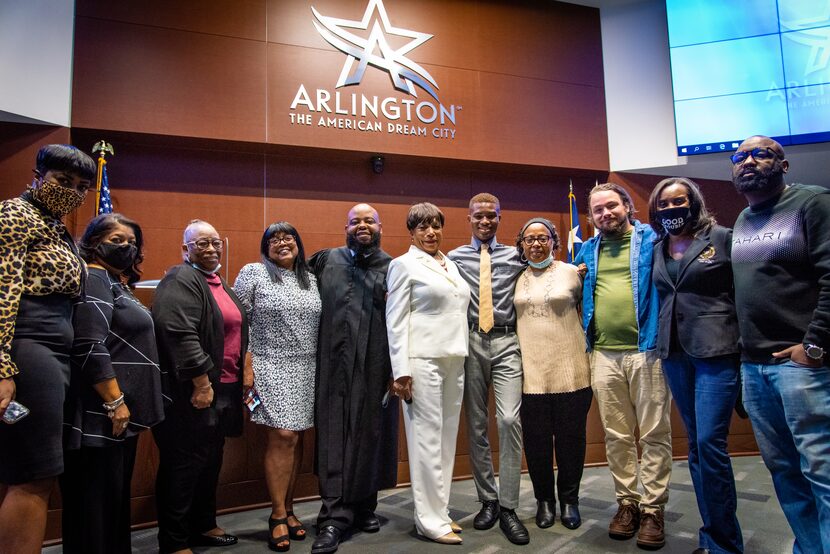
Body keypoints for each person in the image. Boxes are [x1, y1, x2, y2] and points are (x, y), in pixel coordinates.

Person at [729, 135, 830, 553]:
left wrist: (816, 346)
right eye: (739, 157)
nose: (748, 161)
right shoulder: (742, 220)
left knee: (822, 472)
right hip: (754, 368)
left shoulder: (812, 203)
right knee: (784, 471)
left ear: (784, 165)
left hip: (800, 367)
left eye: (761, 153)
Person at [0, 144, 96, 554]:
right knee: (35, 473)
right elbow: (3, 290)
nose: (71, 191)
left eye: (80, 186)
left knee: (27, 470)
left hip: (57, 348)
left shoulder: (55, 226)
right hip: (29, 343)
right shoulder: (15, 214)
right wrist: (2, 365)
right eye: (61, 181)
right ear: (38, 176)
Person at [61, 213, 167, 554]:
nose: (126, 247)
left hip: (120, 416)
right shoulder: (94, 278)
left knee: (112, 504)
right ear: (93, 243)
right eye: (117, 240)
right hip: (100, 413)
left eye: (132, 243)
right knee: (94, 507)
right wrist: (114, 402)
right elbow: (90, 343)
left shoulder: (115, 282)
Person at [574, 182, 672, 549]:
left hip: (645, 351)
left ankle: (653, 509)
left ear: (628, 206)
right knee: (616, 436)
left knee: (653, 433)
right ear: (591, 216)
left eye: (611, 206)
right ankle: (627, 503)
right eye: (598, 210)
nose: (605, 214)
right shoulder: (587, 248)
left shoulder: (652, 241)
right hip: (602, 353)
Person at [648, 178, 743, 554]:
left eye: (679, 201)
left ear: (694, 203)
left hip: (717, 352)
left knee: (710, 443)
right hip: (675, 355)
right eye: (664, 203)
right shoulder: (659, 247)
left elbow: (745, 292)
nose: (672, 208)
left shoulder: (722, 238)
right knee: (696, 448)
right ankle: (714, 536)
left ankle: (726, 543)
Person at [151, 219, 248, 554]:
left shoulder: (219, 283)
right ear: (185, 249)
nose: (209, 248)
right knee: (183, 465)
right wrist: (201, 383)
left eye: (214, 242)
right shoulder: (181, 278)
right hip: (193, 391)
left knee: (209, 461)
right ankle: (174, 541)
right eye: (200, 243)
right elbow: (179, 331)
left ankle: (203, 525)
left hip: (224, 389)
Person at [308, 203, 399, 554]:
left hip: (375, 365)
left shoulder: (392, 267)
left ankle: (364, 505)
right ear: (345, 227)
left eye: (369, 221)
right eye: (355, 221)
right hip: (331, 363)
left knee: (370, 432)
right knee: (334, 433)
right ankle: (333, 516)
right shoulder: (325, 260)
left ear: (380, 226)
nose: (362, 225)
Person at [386, 202, 471, 544]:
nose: (431, 232)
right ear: (412, 231)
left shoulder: (450, 264)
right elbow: (395, 321)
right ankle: (427, 519)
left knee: (446, 439)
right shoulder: (403, 265)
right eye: (422, 227)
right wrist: (401, 370)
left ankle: (441, 511)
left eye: (435, 225)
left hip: (454, 358)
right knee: (426, 441)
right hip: (422, 361)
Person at [234, 222, 321, 552]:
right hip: (269, 364)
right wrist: (247, 368)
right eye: (274, 239)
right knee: (282, 435)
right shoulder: (254, 272)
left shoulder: (311, 278)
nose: (282, 243)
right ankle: (276, 514)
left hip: (307, 366)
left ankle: (291, 509)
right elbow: (238, 322)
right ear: (264, 246)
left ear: (298, 243)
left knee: (297, 438)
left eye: (288, 238)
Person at [447, 192, 528, 546]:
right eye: (478, 216)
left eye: (491, 216)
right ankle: (488, 500)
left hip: (508, 341)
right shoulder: (452, 258)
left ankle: (509, 505)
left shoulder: (516, 255)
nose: (484, 222)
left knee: (509, 419)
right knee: (476, 422)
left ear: (499, 217)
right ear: (469, 217)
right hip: (470, 342)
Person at [513, 218, 592, 531]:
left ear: (553, 241)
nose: (536, 244)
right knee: (536, 444)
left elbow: (591, 311)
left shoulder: (574, 272)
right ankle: (544, 501)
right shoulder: (515, 278)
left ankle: (570, 501)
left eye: (543, 238)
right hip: (531, 375)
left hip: (571, 371)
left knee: (572, 441)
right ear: (521, 244)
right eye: (529, 239)